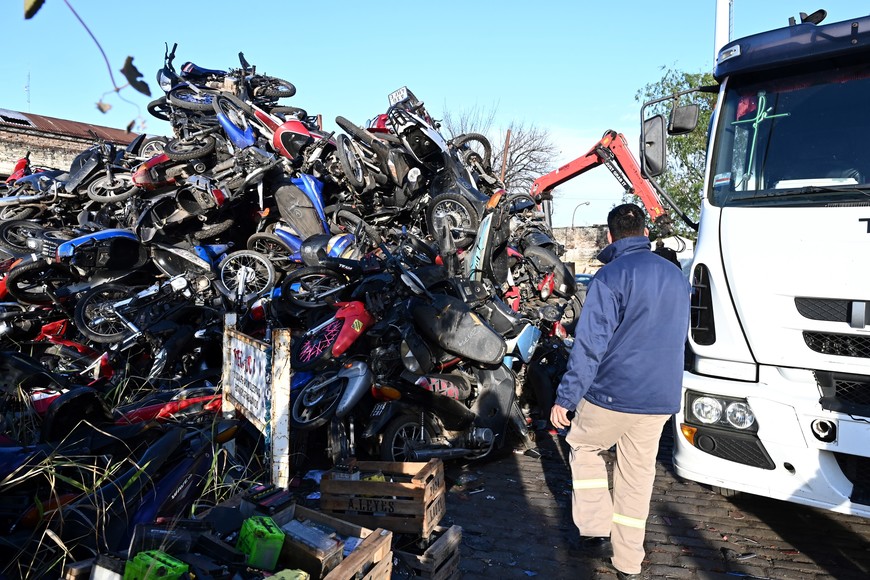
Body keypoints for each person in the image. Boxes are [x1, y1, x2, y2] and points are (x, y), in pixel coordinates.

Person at [550, 203, 690, 580]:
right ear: (644, 232)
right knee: (637, 475)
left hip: (613, 393)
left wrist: (566, 398)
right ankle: (628, 563)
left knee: (582, 444)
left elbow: (590, 345)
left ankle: (595, 528)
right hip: (659, 398)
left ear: (611, 236)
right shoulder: (677, 276)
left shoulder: (609, 277)